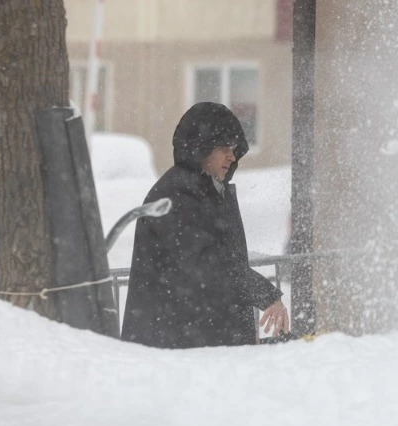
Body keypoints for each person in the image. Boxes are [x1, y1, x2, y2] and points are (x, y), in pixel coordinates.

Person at [121, 102, 289, 348]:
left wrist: (242, 330)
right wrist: (265, 295)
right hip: (172, 349)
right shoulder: (175, 196)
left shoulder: (209, 191)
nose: (232, 156)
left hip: (200, 343)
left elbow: (226, 266)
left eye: (234, 149)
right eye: (224, 148)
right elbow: (208, 266)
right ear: (201, 148)